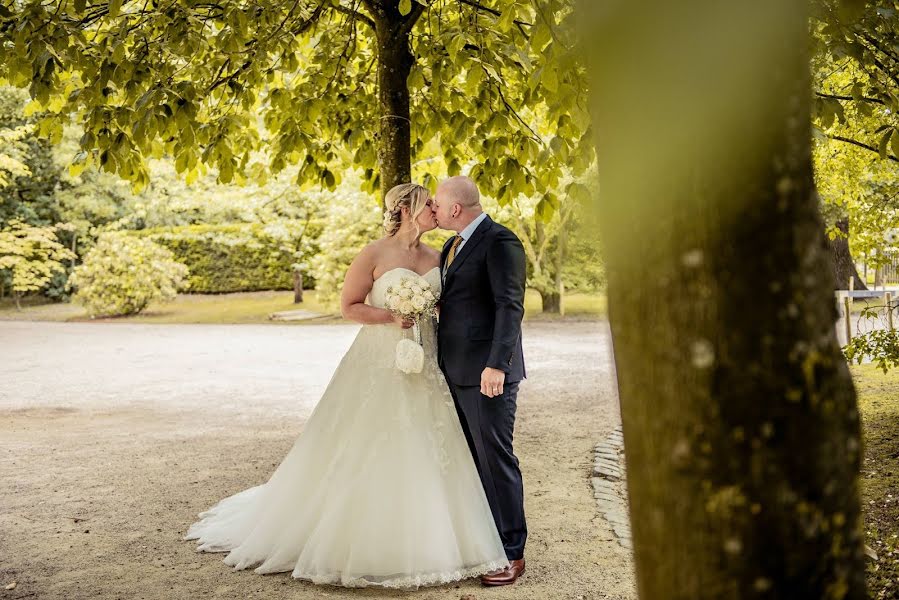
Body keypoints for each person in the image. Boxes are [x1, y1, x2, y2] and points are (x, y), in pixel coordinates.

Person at [184, 183, 509, 588]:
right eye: (430, 205)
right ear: (408, 210)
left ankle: (437, 536)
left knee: (431, 443)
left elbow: (449, 305)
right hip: (378, 359)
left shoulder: (439, 255)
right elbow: (349, 306)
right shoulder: (373, 254)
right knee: (370, 439)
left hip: (427, 359)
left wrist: (432, 311)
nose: (436, 211)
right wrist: (391, 317)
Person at [432, 175, 529, 586]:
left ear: (456, 208)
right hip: (453, 368)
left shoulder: (500, 241)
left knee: (495, 458)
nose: (432, 208)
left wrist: (498, 365)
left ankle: (512, 552)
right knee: (470, 461)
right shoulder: (449, 246)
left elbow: (510, 306)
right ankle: (482, 543)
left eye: (436, 202)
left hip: (487, 373)